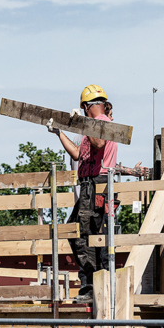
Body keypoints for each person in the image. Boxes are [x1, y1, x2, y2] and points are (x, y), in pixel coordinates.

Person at [49, 84, 118, 304]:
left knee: (84, 235)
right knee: (79, 232)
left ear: (88, 107)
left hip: (97, 184)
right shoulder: (91, 126)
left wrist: (83, 122)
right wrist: (60, 133)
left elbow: (98, 142)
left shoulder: (104, 123)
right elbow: (79, 154)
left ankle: (92, 285)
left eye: (84, 109)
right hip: (89, 185)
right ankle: (91, 283)